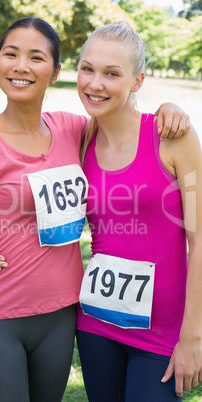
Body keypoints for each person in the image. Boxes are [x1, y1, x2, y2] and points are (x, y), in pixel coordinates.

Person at [0, 17, 190, 402]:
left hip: (95, 318)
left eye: (36, 57)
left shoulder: (80, 130)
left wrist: (170, 106)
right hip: (45, 316)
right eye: (10, 54)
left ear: (55, 72)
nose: (21, 66)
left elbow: (125, 122)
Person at [75, 22, 202, 401]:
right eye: (87, 68)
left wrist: (193, 335)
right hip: (97, 324)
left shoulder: (173, 138)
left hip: (164, 333)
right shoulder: (79, 139)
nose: (95, 83)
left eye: (112, 73)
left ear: (137, 81)